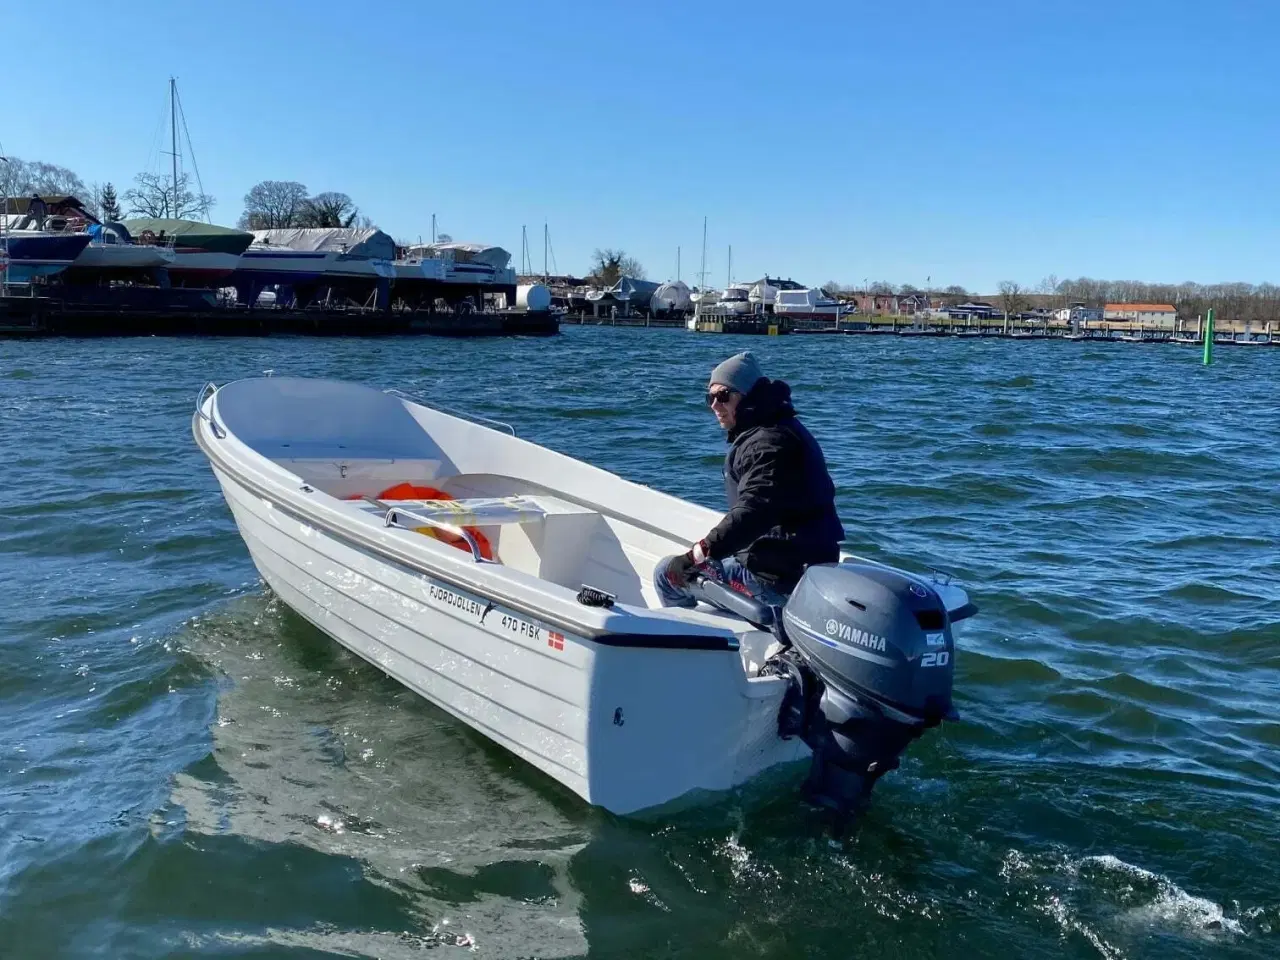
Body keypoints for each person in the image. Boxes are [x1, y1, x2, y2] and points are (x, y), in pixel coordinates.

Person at [654, 351, 845, 609]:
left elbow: (753, 510)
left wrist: (696, 555)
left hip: (774, 580)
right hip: (799, 564)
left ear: (746, 396)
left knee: (667, 574)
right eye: (710, 398)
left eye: (723, 396)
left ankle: (690, 632)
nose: (714, 406)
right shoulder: (782, 427)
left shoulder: (766, 443)